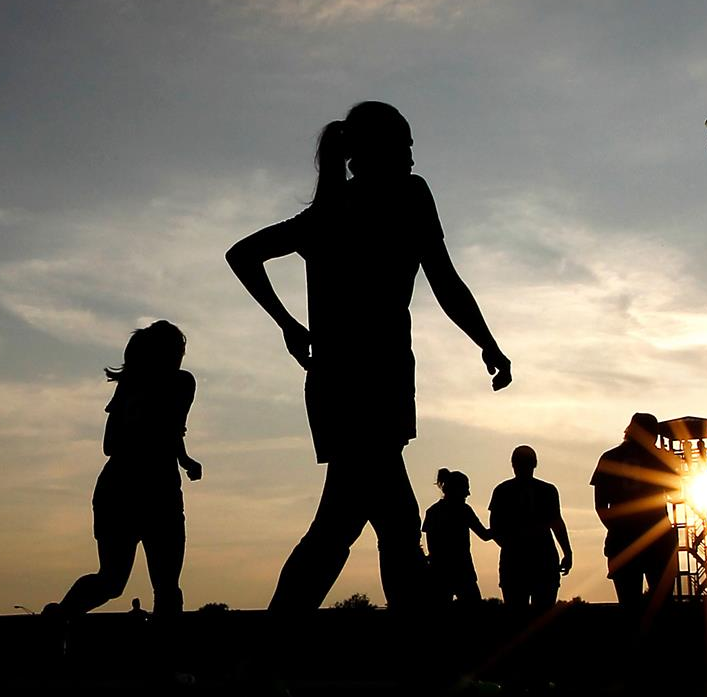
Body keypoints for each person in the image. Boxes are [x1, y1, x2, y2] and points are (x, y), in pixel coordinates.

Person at [225, 100, 513, 614]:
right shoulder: (407, 195)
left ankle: (424, 678)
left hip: (344, 384)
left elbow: (242, 255)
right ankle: (262, 670)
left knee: (370, 527)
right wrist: (486, 342)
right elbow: (443, 278)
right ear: (375, 150)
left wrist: (289, 325)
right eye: (403, 145)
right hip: (373, 384)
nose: (409, 156)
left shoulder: (325, 214)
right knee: (369, 530)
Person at [44, 320, 202, 622]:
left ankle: (165, 664)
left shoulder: (180, 384)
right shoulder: (133, 389)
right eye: (177, 350)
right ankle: (58, 618)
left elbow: (172, 429)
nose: (181, 356)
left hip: (157, 492)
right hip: (124, 493)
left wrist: (182, 458)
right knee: (113, 582)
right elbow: (111, 443)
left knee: (164, 586)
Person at [592, 412, 682, 614]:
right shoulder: (660, 459)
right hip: (658, 538)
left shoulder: (609, 457)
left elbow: (599, 505)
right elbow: (677, 496)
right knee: (663, 607)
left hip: (622, 540)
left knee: (629, 607)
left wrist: (616, 528)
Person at [489, 445, 572, 615]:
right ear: (535, 463)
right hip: (536, 559)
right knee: (538, 614)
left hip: (525, 560)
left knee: (520, 614)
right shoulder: (547, 490)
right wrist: (567, 552)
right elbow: (557, 523)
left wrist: (510, 546)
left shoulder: (503, 490)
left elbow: (495, 527)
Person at [424, 468, 493, 605]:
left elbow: (432, 548)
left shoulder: (432, 512)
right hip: (463, 572)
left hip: (439, 574)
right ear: (456, 489)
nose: (468, 493)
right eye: (466, 488)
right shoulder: (464, 510)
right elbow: (484, 535)